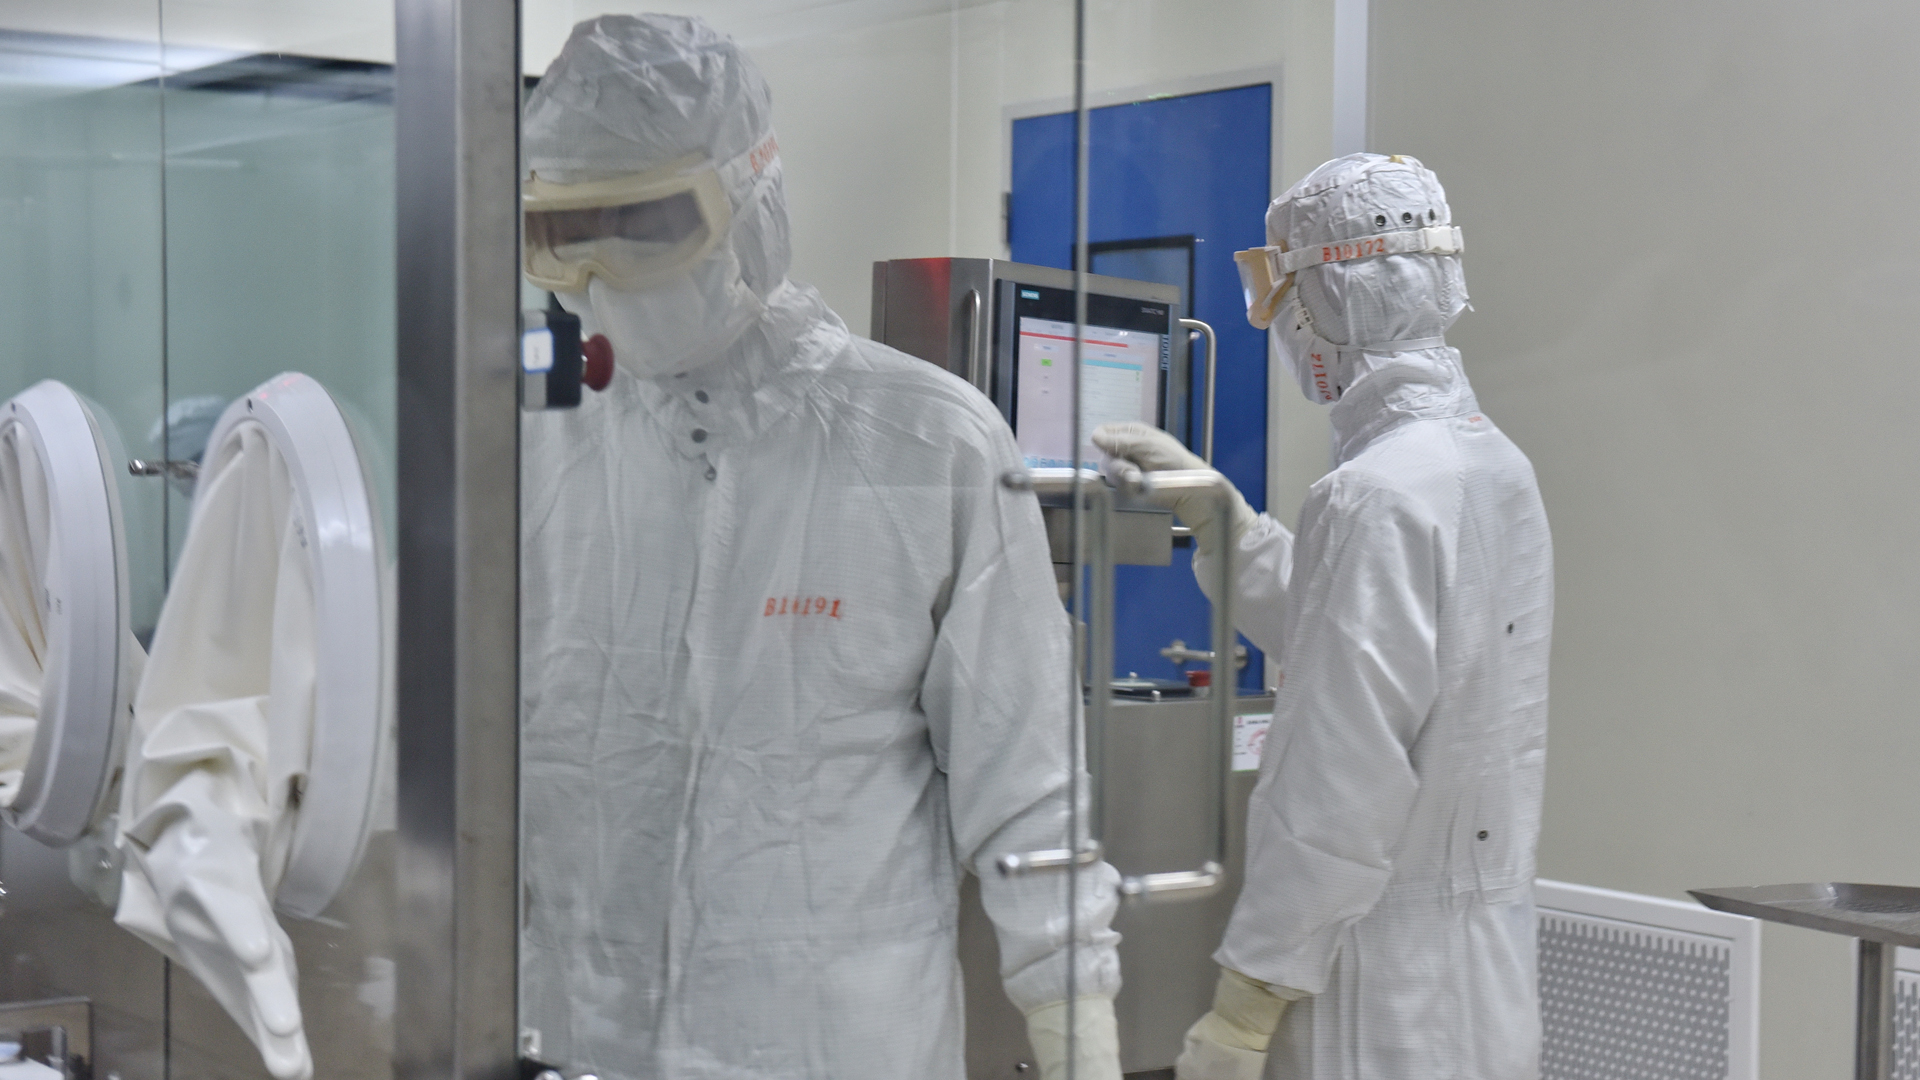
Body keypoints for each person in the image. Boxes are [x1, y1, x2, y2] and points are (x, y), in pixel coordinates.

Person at [517, 15, 1121, 1080]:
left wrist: (1078, 1032)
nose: (605, 272)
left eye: (645, 221)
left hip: (832, 1042)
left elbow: (1026, 779)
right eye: (570, 231)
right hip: (580, 1036)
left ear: (747, 202)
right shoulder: (538, 456)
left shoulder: (925, 441)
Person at [1095, 153, 1552, 1080]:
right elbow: (1363, 647)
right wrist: (1223, 519)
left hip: (1381, 995)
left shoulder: (1374, 494)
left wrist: (1245, 1004)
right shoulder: (1490, 465)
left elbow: (1338, 776)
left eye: (1277, 287)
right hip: (1482, 973)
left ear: (1327, 297)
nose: (1273, 317)